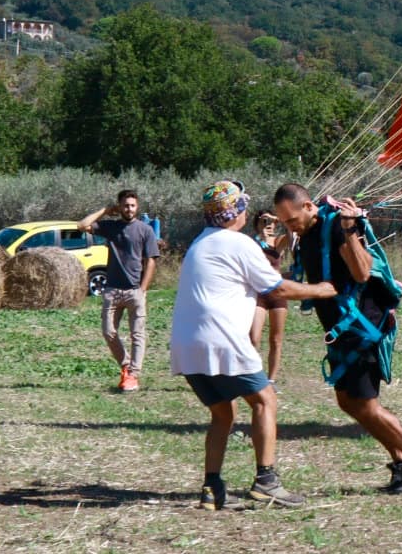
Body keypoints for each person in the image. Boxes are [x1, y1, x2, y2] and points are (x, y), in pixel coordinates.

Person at [169, 180, 336, 510]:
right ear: (237, 212)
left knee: (223, 413)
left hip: (186, 345)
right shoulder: (238, 244)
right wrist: (323, 289)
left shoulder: (199, 243)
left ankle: (211, 488)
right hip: (222, 339)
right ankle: (266, 481)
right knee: (265, 401)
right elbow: (277, 289)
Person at [272, 183, 402, 495]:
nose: (289, 226)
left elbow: (361, 273)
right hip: (341, 333)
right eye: (284, 222)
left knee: (367, 404)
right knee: (348, 401)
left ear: (308, 206)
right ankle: (401, 462)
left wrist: (349, 229)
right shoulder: (305, 235)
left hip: (363, 328)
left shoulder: (337, 227)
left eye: (292, 219)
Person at [80, 188, 161, 392]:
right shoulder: (110, 227)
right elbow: (82, 225)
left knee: (137, 335)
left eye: (133, 205)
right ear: (120, 206)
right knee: (108, 332)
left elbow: (151, 260)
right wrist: (106, 210)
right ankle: (126, 365)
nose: (129, 209)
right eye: (125, 205)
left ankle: (133, 375)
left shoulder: (145, 230)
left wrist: (143, 288)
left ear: (137, 206)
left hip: (135, 291)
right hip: (112, 290)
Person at [250, 210, 292, 380]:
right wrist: (260, 234)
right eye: (264, 221)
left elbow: (292, 236)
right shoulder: (251, 243)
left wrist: (281, 219)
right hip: (258, 293)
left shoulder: (278, 242)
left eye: (271, 221)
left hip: (276, 293)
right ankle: (254, 375)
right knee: (253, 338)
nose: (269, 225)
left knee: (276, 340)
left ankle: (271, 379)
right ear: (257, 224)